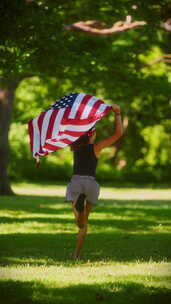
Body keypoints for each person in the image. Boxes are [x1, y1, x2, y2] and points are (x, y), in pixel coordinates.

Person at [66, 104, 123, 259]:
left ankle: (80, 213)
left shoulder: (74, 146)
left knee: (79, 222)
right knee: (85, 223)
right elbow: (118, 134)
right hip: (91, 184)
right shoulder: (96, 148)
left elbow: (62, 133)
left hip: (76, 183)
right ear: (93, 134)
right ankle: (76, 254)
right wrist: (117, 113)